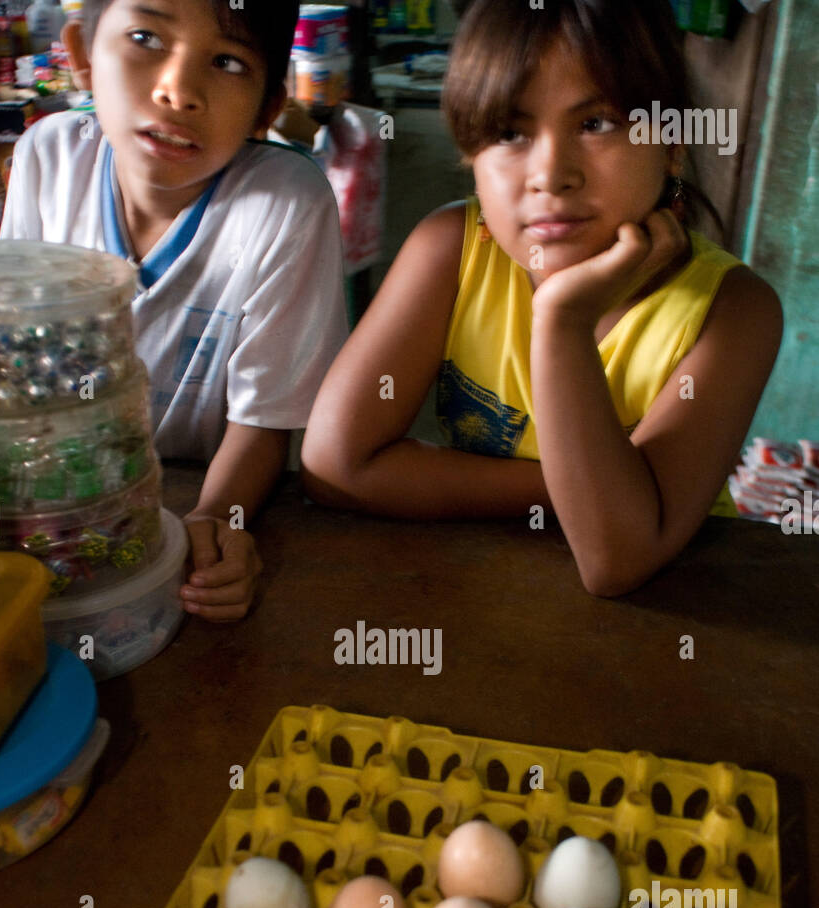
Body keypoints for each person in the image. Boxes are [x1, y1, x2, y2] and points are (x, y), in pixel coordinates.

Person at [301, 0, 782, 597]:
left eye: (596, 123)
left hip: (675, 623)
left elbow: (618, 560)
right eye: (510, 132)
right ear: (472, 159)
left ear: (673, 145)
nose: (551, 173)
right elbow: (336, 468)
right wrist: (590, 491)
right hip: (486, 598)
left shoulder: (732, 312)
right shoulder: (452, 250)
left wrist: (562, 321)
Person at [1, 0, 348, 622]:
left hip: (184, 496)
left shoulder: (284, 204)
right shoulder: (48, 158)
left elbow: (263, 422)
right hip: (54, 509)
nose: (178, 91)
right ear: (81, 55)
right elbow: (13, 364)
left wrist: (216, 517)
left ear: (269, 107)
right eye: (145, 37)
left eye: (226, 61)